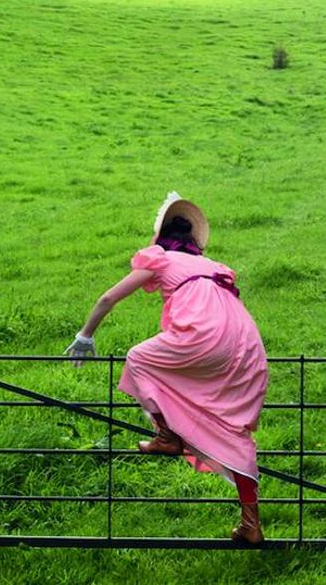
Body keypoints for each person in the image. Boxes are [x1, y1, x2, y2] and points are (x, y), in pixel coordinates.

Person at [66, 192, 269, 544]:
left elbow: (108, 297)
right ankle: (251, 523)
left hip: (206, 333)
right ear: (193, 243)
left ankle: (167, 435)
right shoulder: (213, 266)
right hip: (245, 342)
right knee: (233, 429)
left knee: (139, 358)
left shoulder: (159, 258)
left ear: (161, 239)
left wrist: (86, 334)